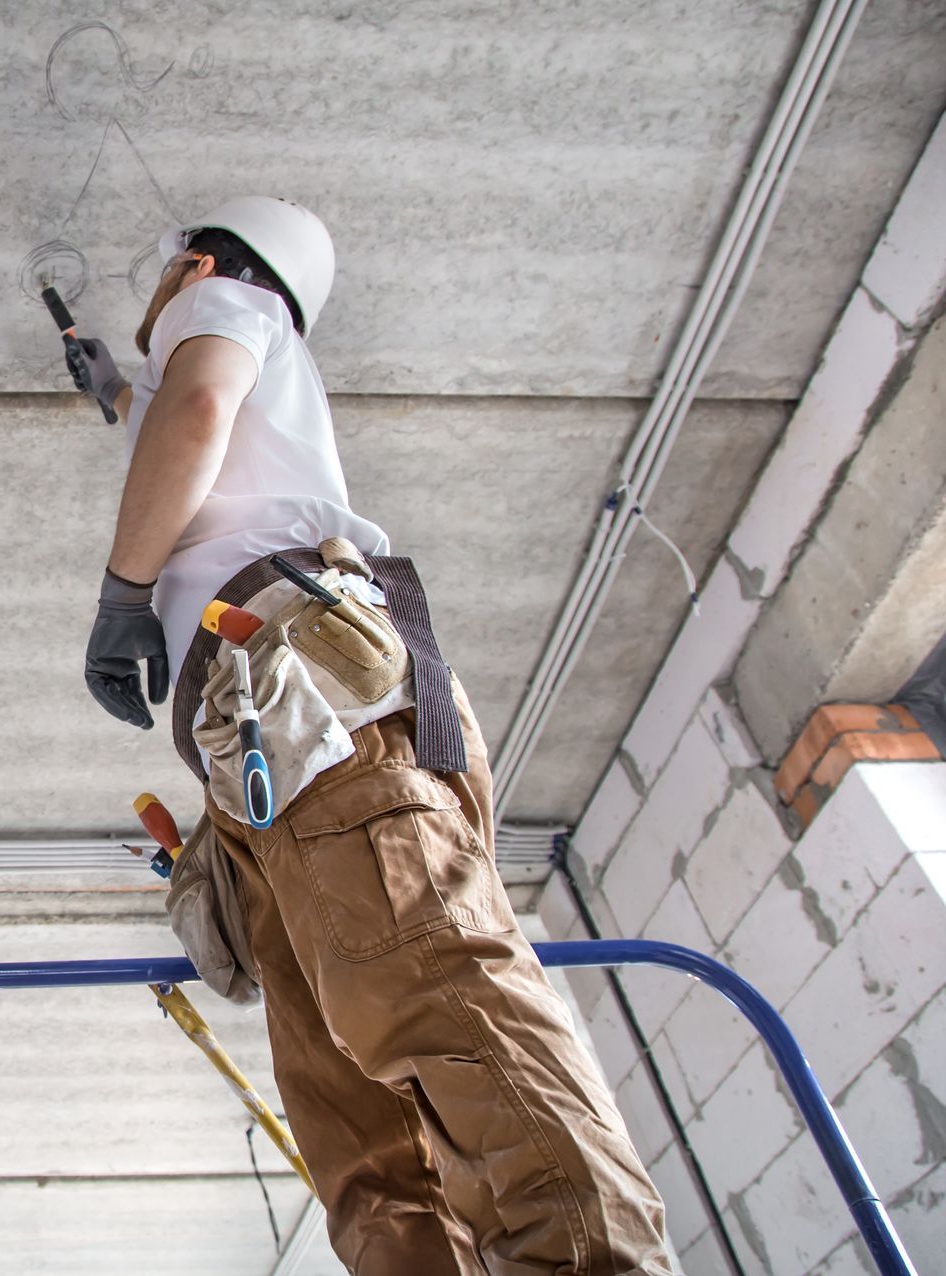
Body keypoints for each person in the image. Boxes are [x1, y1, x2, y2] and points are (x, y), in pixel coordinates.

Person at [67, 196, 674, 1275]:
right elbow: (175, 416)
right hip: (282, 742)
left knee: (441, 1009)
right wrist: (116, 385)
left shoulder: (230, 295)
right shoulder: (238, 359)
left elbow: (198, 411)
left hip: (312, 706)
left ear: (201, 265)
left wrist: (126, 588)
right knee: (359, 1124)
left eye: (168, 285)